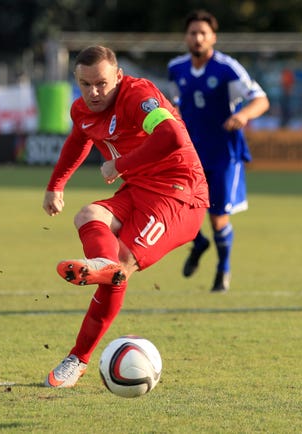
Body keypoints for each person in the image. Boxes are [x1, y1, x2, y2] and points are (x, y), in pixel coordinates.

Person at [42, 45, 209, 388]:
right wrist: (55, 185)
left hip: (179, 193)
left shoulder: (137, 96)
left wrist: (120, 164)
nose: (94, 92)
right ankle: (104, 266)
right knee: (88, 215)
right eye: (85, 84)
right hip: (139, 190)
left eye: (101, 83)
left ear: (118, 76)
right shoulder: (83, 110)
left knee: (122, 266)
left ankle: (79, 357)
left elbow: (172, 136)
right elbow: (78, 140)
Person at [168, 10, 270, 292]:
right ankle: (198, 243)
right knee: (178, 207)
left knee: (217, 216)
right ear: (186, 37)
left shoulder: (228, 69)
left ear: (213, 37)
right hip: (190, 153)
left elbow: (261, 100)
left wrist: (244, 115)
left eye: (203, 33)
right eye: (192, 33)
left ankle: (222, 270)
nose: (197, 38)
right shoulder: (176, 68)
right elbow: (177, 103)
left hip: (224, 153)